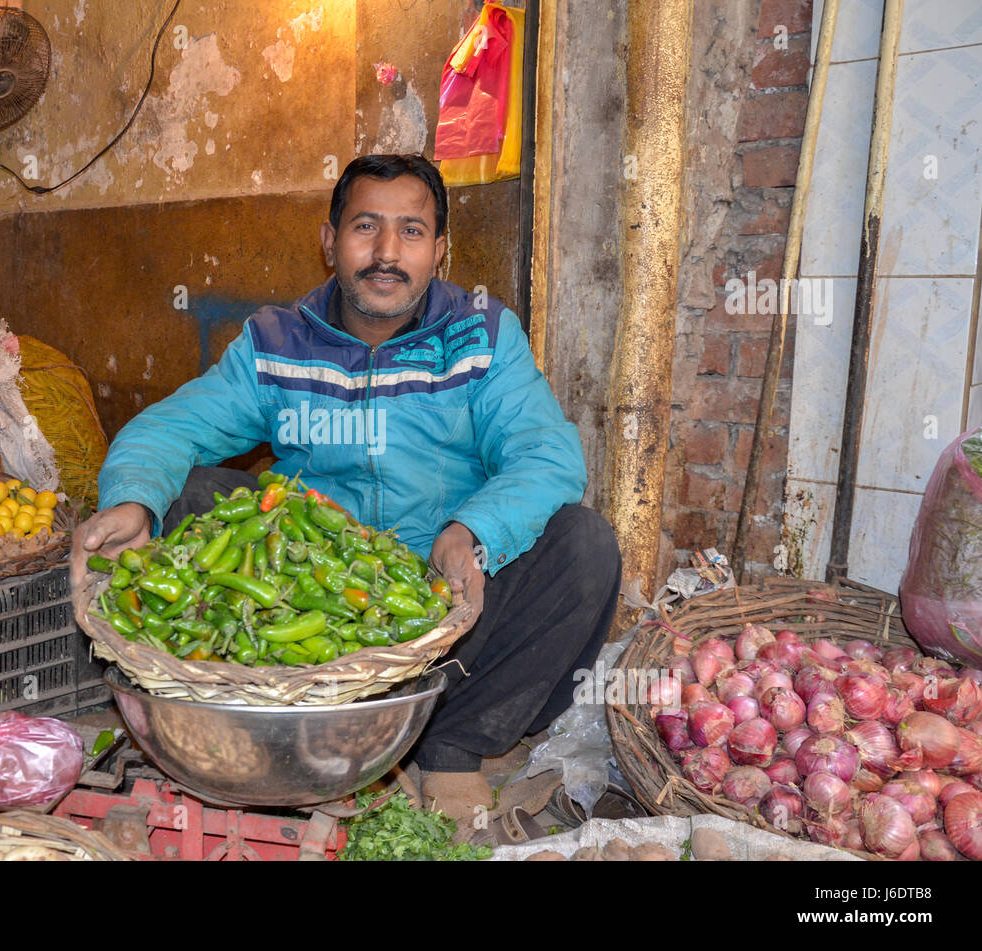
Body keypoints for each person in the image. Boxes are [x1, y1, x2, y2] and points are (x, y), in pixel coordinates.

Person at [74, 153, 622, 831]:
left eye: (412, 232)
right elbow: (174, 426)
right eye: (366, 227)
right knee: (184, 495)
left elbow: (546, 453)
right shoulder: (277, 341)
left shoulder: (480, 337)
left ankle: (454, 740)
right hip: (309, 595)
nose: (387, 253)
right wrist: (134, 497)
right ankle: (256, 701)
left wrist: (472, 532)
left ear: (439, 249)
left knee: (584, 544)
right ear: (329, 239)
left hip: (446, 599)